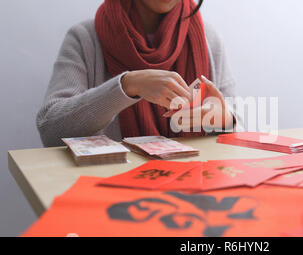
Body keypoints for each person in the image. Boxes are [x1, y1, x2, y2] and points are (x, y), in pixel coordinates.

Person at [36, 0, 237, 147]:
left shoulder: (207, 39)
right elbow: (51, 130)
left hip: (194, 191)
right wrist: (127, 86)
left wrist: (224, 119)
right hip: (111, 191)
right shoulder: (85, 38)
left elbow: (238, 137)